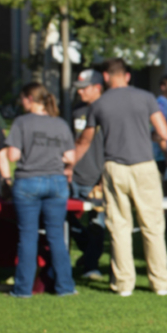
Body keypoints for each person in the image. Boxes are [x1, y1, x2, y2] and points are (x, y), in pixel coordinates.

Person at [73, 58, 167, 296]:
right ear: (127, 75)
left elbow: (84, 141)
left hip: (114, 167)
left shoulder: (98, 104)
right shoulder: (146, 97)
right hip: (145, 167)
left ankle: (123, 283)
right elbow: (164, 133)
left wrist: (68, 167)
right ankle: (160, 282)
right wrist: (146, 136)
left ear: (106, 77)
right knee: (152, 225)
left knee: (119, 226)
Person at [1, 83, 77, 297]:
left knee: (27, 236)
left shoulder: (21, 122)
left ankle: (23, 289)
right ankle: (65, 286)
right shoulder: (60, 124)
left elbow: (12, 156)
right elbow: (71, 157)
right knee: (56, 236)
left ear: (29, 99)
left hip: (28, 181)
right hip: (56, 182)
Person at [68, 69, 108, 280]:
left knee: (97, 224)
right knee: (67, 219)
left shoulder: (109, 110)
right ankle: (87, 254)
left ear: (97, 88)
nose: (80, 92)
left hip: (97, 178)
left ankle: (91, 266)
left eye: (84, 88)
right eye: (79, 89)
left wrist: (103, 179)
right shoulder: (76, 110)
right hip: (74, 177)